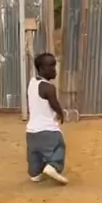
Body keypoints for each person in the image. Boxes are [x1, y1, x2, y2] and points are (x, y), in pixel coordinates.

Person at [26, 52, 67, 185]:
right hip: (48, 131)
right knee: (59, 147)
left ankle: (35, 173)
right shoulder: (49, 88)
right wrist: (61, 113)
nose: (54, 69)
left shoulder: (32, 83)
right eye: (51, 66)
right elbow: (54, 104)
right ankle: (53, 166)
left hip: (31, 133)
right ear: (41, 68)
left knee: (35, 155)